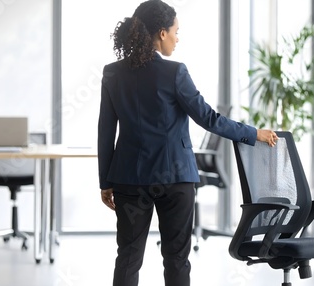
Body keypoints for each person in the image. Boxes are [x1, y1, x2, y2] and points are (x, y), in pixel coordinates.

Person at [97, 1, 278, 285]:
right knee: (177, 258)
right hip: (175, 179)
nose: (177, 39)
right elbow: (209, 118)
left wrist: (105, 181)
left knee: (128, 257)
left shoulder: (112, 73)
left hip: (128, 180)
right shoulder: (174, 72)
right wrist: (254, 133)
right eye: (176, 32)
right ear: (161, 33)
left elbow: (106, 130)